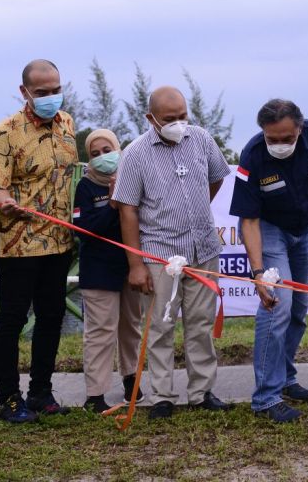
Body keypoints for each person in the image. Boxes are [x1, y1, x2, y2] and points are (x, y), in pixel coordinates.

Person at [113, 86, 234, 418]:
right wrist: (135, 265)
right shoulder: (135, 153)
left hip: (204, 248)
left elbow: (216, 178)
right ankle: (162, 396)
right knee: (160, 327)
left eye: (183, 116)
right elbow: (127, 210)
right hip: (159, 255)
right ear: (151, 118)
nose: (179, 124)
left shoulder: (201, 139)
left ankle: (201, 391)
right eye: (170, 119)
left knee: (200, 324)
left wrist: (193, 209)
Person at [229, 99, 308, 423]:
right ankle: (266, 398)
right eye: (272, 139)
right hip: (269, 230)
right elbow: (248, 221)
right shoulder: (253, 156)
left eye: (286, 138)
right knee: (277, 303)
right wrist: (257, 274)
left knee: (298, 308)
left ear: (299, 128)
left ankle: (286, 378)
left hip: (304, 228)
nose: (279, 144)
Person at [0, 59, 78, 423]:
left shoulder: (67, 124)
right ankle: (9, 398)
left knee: (51, 317)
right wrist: (5, 201)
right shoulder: (5, 132)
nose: (51, 97)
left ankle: (41, 392)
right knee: (11, 320)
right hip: (17, 244)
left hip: (58, 241)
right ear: (24, 92)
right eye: (42, 93)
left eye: (56, 90)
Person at [73, 127, 143, 413]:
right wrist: (112, 205)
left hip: (132, 267)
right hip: (98, 269)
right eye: (95, 153)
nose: (103, 157)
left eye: (107, 150)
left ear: (118, 149)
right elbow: (84, 230)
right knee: (100, 331)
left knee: (131, 327)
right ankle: (95, 393)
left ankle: (131, 382)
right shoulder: (85, 187)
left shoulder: (134, 178)